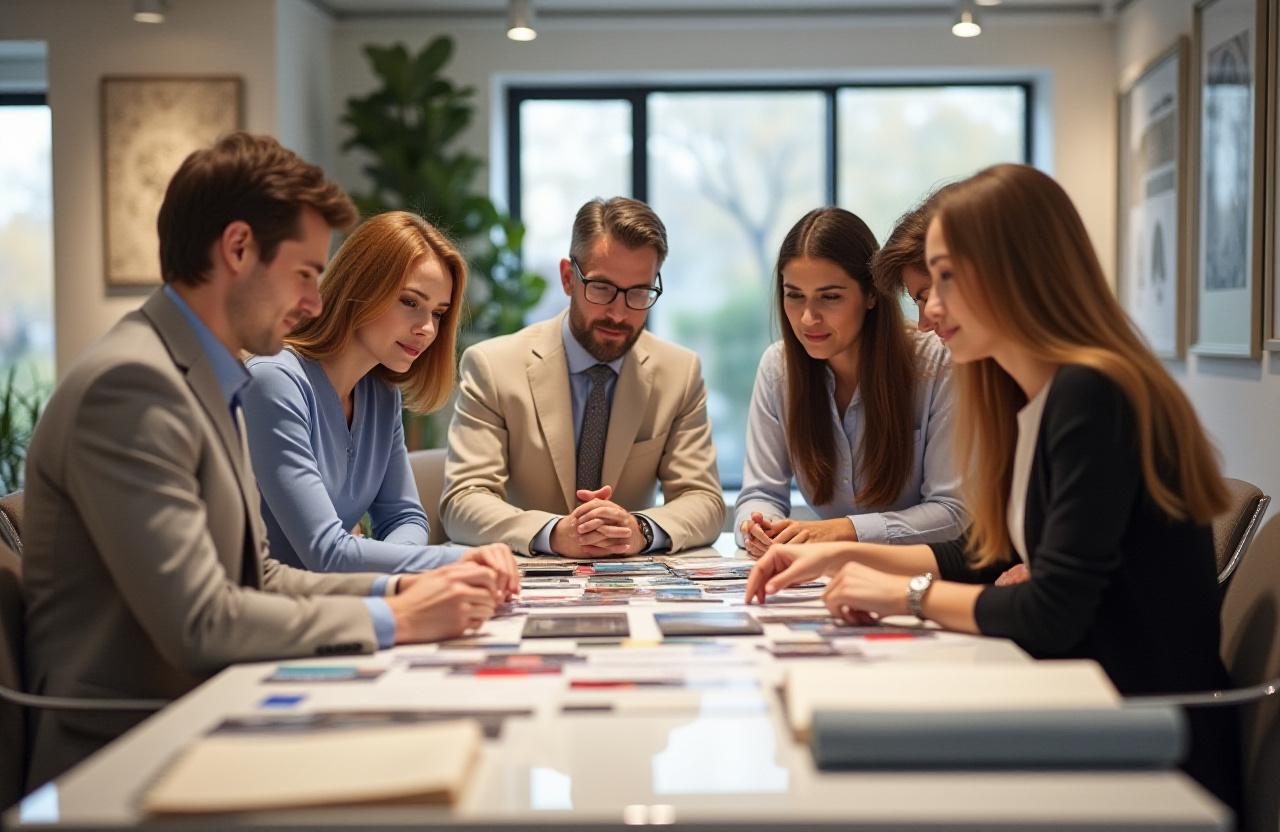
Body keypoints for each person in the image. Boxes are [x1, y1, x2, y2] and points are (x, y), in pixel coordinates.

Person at [746, 163, 1239, 810]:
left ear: (1019, 273)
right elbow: (993, 557)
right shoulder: (1045, 391)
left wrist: (906, 593)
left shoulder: (1091, 395)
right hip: (1087, 702)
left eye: (946, 279)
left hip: (1142, 740)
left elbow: (1052, 612)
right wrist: (846, 554)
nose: (928, 313)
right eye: (925, 287)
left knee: (836, 757)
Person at [20, 133, 501, 787]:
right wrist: (396, 616)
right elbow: (202, 622)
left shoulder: (202, 377)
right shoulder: (132, 386)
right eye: (306, 273)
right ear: (239, 249)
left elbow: (261, 577)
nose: (313, 301)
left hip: (203, 710)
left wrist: (401, 588)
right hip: (130, 749)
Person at [240, 211, 517, 593]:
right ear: (361, 287)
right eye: (409, 302)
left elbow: (405, 517)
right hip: (268, 618)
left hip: (343, 603)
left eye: (438, 313)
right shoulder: (273, 381)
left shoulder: (381, 394)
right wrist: (456, 558)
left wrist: (392, 573)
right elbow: (327, 553)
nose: (427, 328)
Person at [441, 196, 725, 557]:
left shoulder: (679, 373)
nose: (619, 314)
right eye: (603, 288)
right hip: (527, 579)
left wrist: (639, 529)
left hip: (629, 585)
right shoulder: (492, 367)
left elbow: (704, 500)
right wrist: (553, 532)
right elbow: (463, 501)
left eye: (639, 293)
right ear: (567, 278)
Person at [734, 207, 963, 559]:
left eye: (830, 297)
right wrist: (758, 528)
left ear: (872, 295)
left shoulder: (937, 361)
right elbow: (760, 494)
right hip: (828, 575)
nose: (809, 318)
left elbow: (952, 512)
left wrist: (842, 530)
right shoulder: (778, 368)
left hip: (924, 571)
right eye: (794, 295)